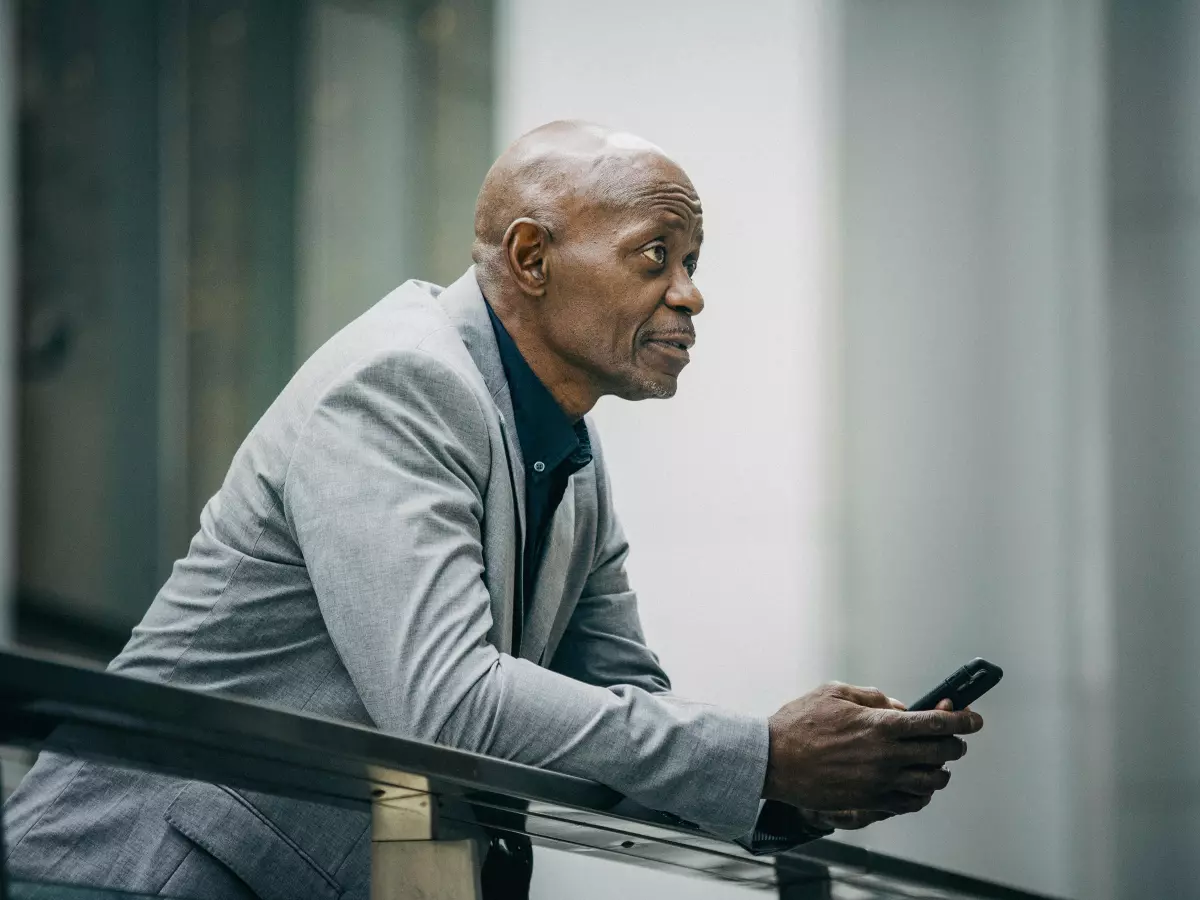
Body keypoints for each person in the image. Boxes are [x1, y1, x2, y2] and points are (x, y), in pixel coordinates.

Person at [3, 121, 981, 899]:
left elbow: (626, 702)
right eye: (656, 257)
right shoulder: (398, 383)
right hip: (127, 876)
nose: (691, 297)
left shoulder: (569, 450)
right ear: (530, 255)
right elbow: (448, 700)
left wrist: (793, 787)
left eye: (694, 261)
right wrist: (764, 751)